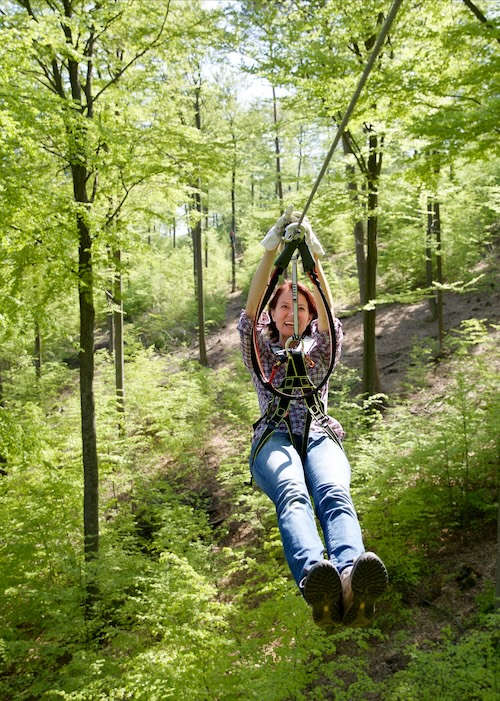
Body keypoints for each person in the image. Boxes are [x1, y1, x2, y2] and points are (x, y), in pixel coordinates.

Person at [237, 209, 388, 629]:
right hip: (275, 436)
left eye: (301, 308)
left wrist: (314, 260)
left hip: (320, 433)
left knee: (334, 492)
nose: (293, 313)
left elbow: (330, 314)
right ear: (273, 313)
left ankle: (348, 581)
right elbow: (250, 312)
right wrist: (272, 252)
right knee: (292, 491)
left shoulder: (321, 350)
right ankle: (314, 577)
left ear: (310, 317)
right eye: (284, 305)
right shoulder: (260, 351)